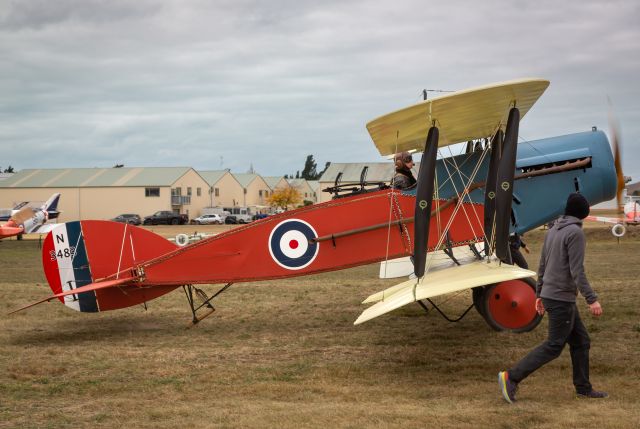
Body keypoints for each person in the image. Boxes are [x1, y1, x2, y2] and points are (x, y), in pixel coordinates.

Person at [498, 193, 607, 403]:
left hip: (552, 294)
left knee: (581, 341)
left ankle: (583, 388)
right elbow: (577, 271)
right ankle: (511, 377)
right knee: (554, 345)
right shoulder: (575, 233)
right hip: (561, 298)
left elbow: (542, 264)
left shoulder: (553, 229)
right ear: (584, 212)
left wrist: (540, 293)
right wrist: (591, 299)